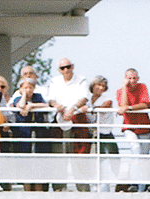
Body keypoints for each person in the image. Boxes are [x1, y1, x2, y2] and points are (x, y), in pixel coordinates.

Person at [47, 57, 91, 190]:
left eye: (68, 67)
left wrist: (72, 109)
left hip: (77, 121)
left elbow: (84, 98)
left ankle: (83, 191)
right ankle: (60, 189)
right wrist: (57, 106)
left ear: (72, 66)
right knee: (59, 156)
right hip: (59, 121)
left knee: (80, 157)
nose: (66, 70)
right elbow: (51, 99)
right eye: (62, 68)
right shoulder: (55, 81)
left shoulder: (81, 80)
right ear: (59, 70)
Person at [116, 68, 150, 192]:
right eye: (129, 78)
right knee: (135, 148)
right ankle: (134, 183)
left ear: (138, 78)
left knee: (144, 157)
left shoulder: (142, 87)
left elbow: (145, 104)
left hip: (144, 127)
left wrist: (130, 108)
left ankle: (142, 188)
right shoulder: (120, 91)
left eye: (134, 78)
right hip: (129, 126)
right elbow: (122, 105)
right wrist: (124, 88)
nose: (132, 81)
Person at [11, 77, 50, 190]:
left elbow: (46, 105)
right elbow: (20, 105)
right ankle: (27, 189)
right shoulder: (18, 97)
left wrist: (31, 105)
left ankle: (39, 189)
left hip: (38, 133)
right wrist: (23, 95)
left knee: (38, 162)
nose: (28, 90)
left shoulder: (38, 97)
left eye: (30, 87)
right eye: (25, 87)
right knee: (25, 163)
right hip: (24, 134)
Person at [88, 75, 118, 192]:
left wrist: (92, 109)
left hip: (105, 133)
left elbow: (106, 106)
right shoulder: (88, 99)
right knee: (94, 163)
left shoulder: (107, 98)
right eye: (98, 85)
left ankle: (108, 188)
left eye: (103, 86)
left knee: (109, 162)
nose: (101, 88)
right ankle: (95, 187)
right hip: (92, 135)